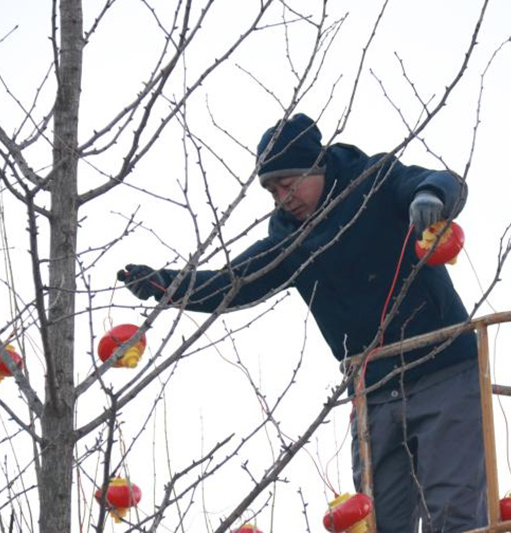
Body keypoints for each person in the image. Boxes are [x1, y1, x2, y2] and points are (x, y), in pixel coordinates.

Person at [117, 113, 487, 532]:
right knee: (379, 522)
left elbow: (442, 181)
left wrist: (430, 196)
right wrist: (165, 284)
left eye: (288, 184)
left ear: (317, 166)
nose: (282, 198)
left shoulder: (375, 182)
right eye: (272, 191)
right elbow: (232, 283)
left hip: (443, 369)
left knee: (454, 513)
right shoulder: (288, 242)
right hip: (375, 388)